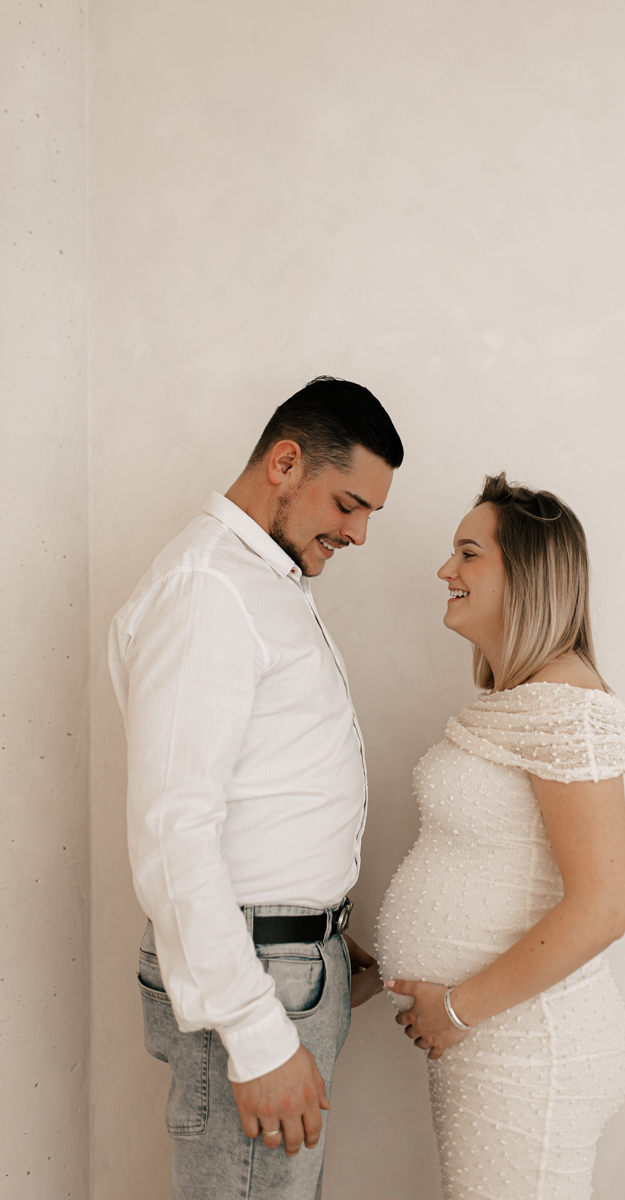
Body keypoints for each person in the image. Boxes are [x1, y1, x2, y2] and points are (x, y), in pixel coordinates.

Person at [109, 377, 397, 1200]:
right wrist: (257, 1034)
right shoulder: (210, 588)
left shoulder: (260, 580)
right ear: (285, 462)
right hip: (255, 977)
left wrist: (321, 926)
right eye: (349, 504)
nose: (359, 533)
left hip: (286, 961)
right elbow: (173, 829)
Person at [376, 473, 625, 1200]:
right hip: (494, 1042)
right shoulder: (522, 702)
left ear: (527, 574)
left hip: (529, 1047)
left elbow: (604, 906)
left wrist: (458, 1008)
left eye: (468, 553)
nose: (445, 570)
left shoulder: (569, 711)